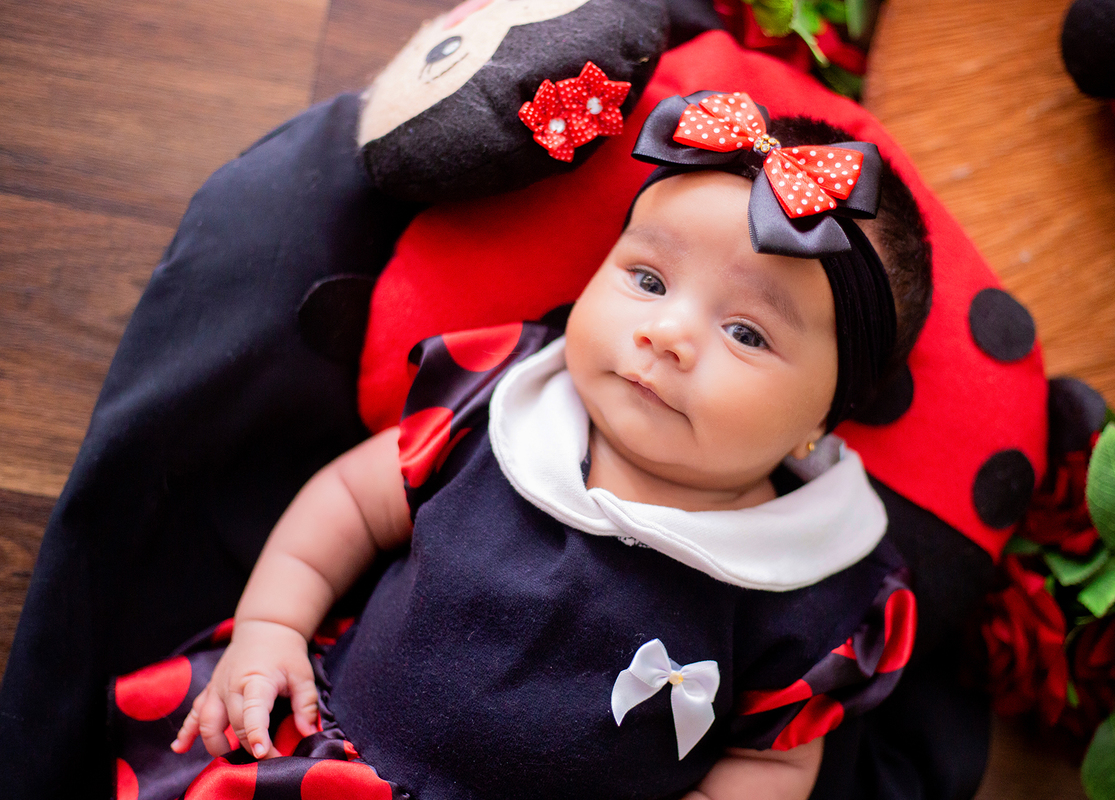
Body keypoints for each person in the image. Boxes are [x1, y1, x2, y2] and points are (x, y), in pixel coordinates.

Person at [155, 92, 931, 800]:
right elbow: (349, 504)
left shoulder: (812, 587)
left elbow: (770, 762)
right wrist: (272, 629)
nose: (666, 335)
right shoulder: (492, 408)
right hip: (324, 766)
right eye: (649, 280)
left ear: (824, 416)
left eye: (746, 332)